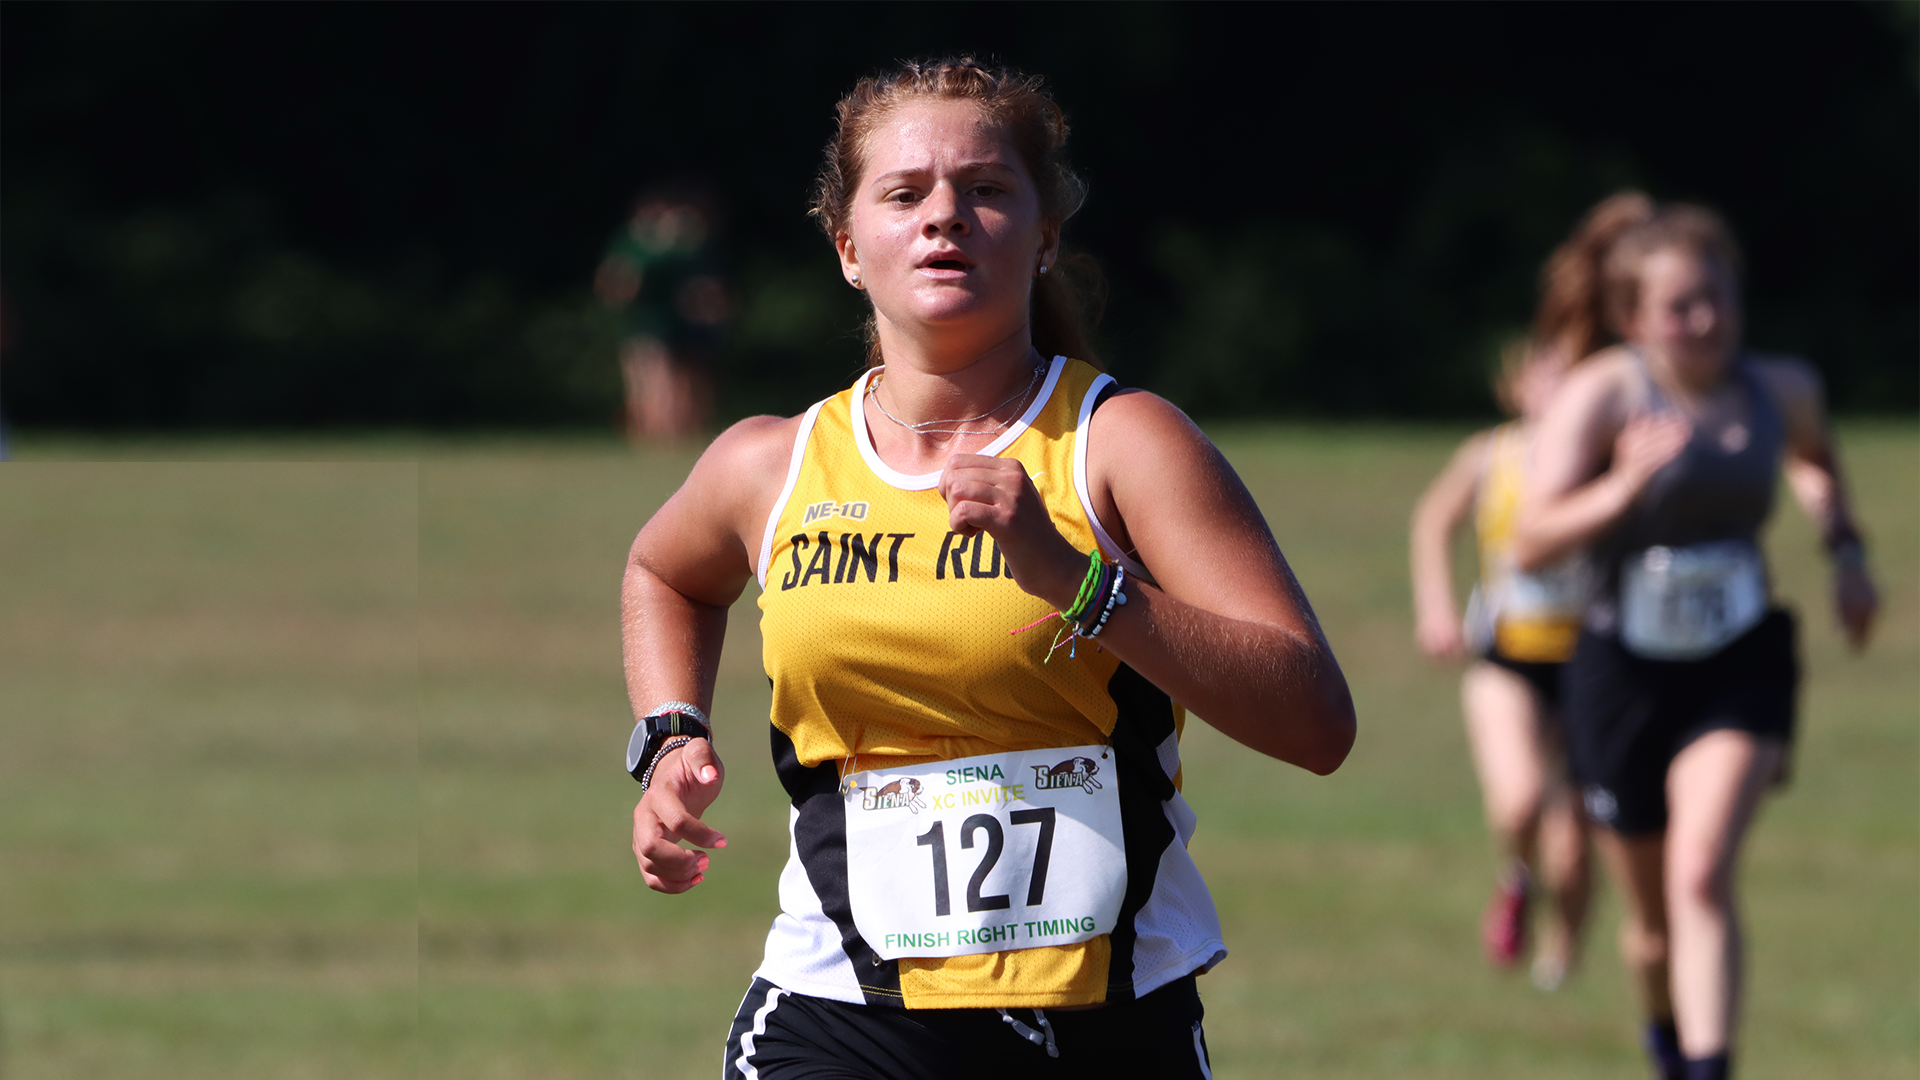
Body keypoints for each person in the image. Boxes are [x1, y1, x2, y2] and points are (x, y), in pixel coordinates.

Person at [620, 58, 1356, 1079]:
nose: (945, 218)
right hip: (842, 1011)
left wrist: (1081, 582)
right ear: (847, 247)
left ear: (1046, 236)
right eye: (906, 194)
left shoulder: (1123, 444)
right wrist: (669, 737)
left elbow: (1316, 723)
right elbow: (667, 572)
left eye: (987, 191)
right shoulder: (769, 463)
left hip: (1106, 1017)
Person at [1513, 197, 1879, 1080]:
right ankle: (1669, 1042)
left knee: (1702, 869)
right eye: (1681, 307)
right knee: (1650, 930)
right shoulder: (1606, 391)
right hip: (1623, 670)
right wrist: (1622, 488)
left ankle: (1711, 1067)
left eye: (1719, 298)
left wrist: (1845, 548)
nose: (1706, 320)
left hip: (1740, 660)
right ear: (1637, 318)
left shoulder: (1782, 387)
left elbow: (1816, 458)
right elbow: (1531, 536)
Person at [1407, 193, 1652, 989]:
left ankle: (1560, 959)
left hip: (1590, 655)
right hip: (1507, 652)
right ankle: (1516, 878)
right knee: (1519, 805)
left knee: (1576, 836)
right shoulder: (1492, 453)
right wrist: (1439, 607)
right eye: (1544, 372)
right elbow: (1431, 522)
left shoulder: (1611, 457)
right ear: (1520, 382)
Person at [595, 184, 728, 444]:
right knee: (649, 382)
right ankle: (650, 435)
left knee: (674, 384)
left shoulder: (680, 251)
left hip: (671, 326)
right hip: (643, 324)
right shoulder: (635, 246)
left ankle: (673, 435)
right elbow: (614, 282)